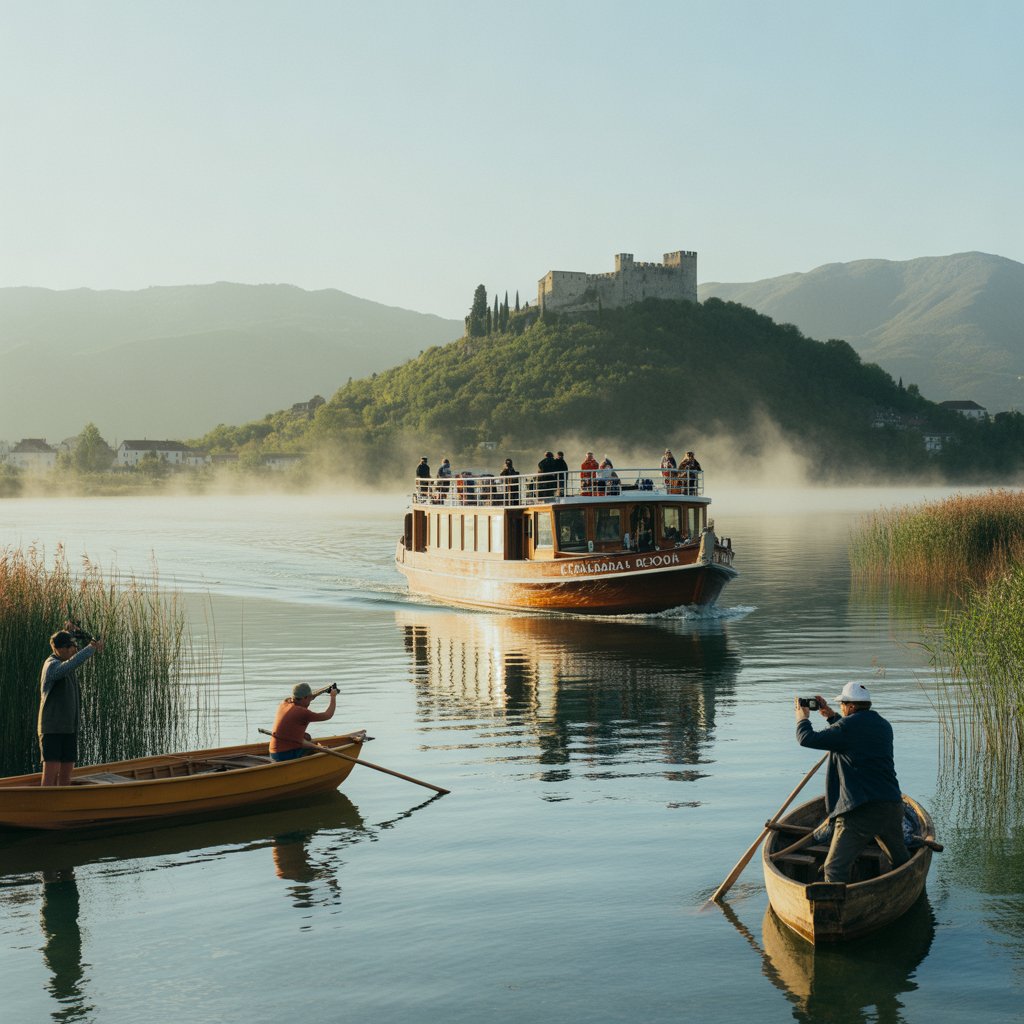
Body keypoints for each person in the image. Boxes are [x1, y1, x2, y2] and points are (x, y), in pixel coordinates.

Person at [795, 682, 910, 883]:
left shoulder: (847, 728)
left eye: (842, 705)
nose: (841, 708)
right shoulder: (884, 726)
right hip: (891, 806)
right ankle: (908, 887)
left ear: (851, 706)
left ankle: (834, 902)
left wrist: (802, 718)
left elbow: (806, 738)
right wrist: (831, 716)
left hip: (860, 810)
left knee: (833, 869)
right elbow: (854, 734)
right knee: (901, 861)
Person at [38, 627, 105, 786]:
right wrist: (91, 648)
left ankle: (63, 800)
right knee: (51, 774)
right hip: (52, 729)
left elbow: (73, 659)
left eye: (75, 645)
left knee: (66, 774)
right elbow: (69, 665)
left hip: (69, 728)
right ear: (60, 649)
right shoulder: (51, 665)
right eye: (72, 646)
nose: (75, 649)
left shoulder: (65, 660)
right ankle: (46, 801)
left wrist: (80, 633)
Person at [269, 682, 338, 761]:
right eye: (309, 698)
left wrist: (324, 690)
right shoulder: (302, 712)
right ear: (304, 698)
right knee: (314, 747)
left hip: (273, 753)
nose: (310, 700)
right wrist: (333, 696)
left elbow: (310, 696)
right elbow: (327, 715)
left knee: (307, 737)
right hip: (284, 755)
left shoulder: (285, 702)